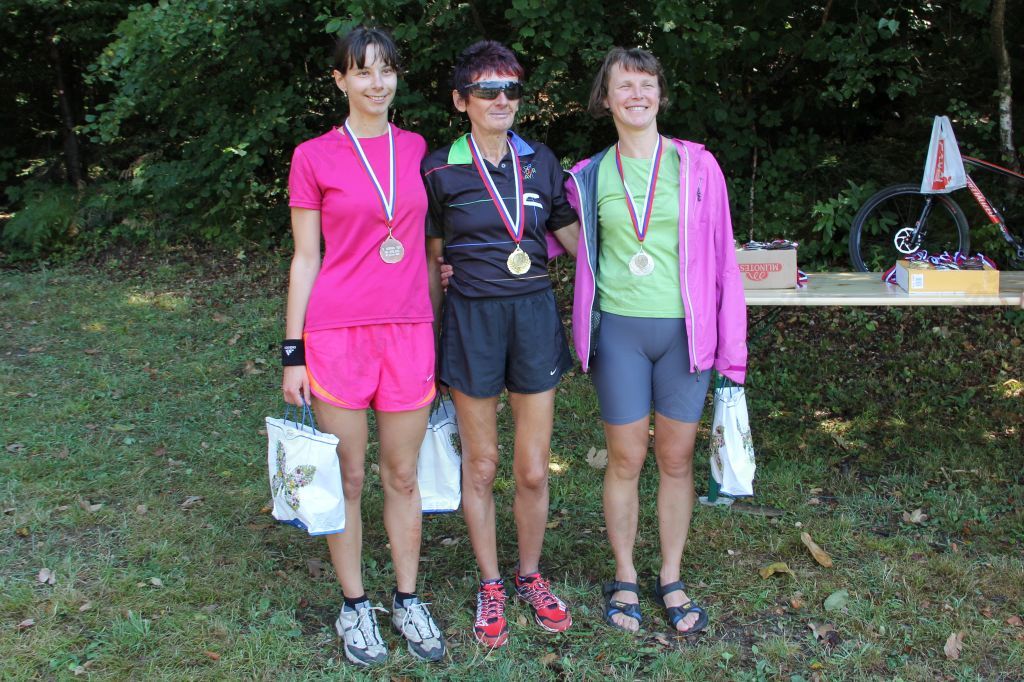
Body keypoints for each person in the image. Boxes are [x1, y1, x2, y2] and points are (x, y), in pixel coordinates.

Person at [562, 47, 747, 634]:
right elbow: (552, 236)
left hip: (685, 335)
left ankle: (670, 575)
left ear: (661, 95)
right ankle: (624, 576)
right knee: (626, 458)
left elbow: (724, 260)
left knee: (675, 458)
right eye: (624, 85)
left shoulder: (699, 167)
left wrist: (732, 351)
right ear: (606, 98)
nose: (636, 95)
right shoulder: (588, 176)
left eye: (647, 84)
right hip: (620, 333)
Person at [281, 27, 445, 666]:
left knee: (402, 475)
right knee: (347, 477)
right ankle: (355, 605)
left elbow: (430, 246)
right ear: (340, 80)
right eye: (363, 72)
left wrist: (439, 319)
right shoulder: (313, 156)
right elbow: (305, 258)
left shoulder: (418, 149)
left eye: (387, 71)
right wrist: (292, 352)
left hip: (408, 332)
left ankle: (407, 598)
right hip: (336, 334)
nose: (377, 84)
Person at [422, 40, 580, 649]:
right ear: (461, 100)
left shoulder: (540, 160)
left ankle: (530, 575)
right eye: (487, 90)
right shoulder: (439, 168)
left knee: (533, 469)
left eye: (511, 89)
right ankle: (490, 582)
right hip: (471, 322)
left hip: (533, 316)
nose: (502, 100)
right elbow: (429, 259)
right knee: (483, 463)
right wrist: (431, 331)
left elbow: (578, 240)